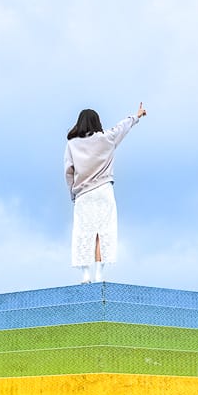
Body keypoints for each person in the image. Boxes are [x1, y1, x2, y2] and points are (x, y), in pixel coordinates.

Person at [64, 102, 147, 283]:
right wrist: (137, 115)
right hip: (104, 191)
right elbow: (122, 127)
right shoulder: (107, 138)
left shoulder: (72, 144)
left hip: (83, 195)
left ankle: (85, 275)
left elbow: (68, 172)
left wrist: (73, 193)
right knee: (103, 232)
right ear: (97, 122)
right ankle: (100, 274)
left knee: (83, 233)